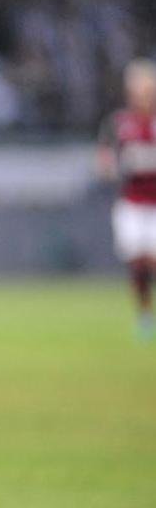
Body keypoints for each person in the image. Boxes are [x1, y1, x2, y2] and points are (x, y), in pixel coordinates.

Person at [98, 58, 156, 342]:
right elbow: (105, 161)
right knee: (138, 262)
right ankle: (145, 317)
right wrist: (120, 165)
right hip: (132, 202)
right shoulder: (119, 123)